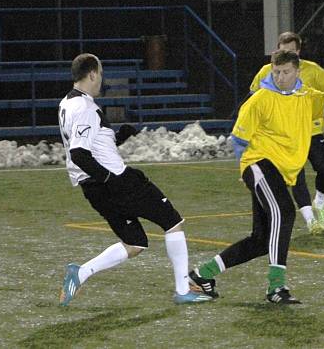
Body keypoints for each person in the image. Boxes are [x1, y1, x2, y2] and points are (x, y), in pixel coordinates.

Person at [190, 49, 324, 304]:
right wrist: (243, 169)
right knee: (285, 211)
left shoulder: (306, 96)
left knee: (260, 241)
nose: (280, 77)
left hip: (280, 173)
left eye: (286, 72)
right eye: (276, 72)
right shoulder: (259, 99)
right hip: (259, 164)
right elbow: (239, 140)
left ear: (297, 72)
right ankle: (276, 287)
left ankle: (203, 275)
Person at [57, 53, 211, 306]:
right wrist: (111, 179)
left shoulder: (66, 104)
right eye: (101, 73)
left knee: (135, 242)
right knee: (172, 222)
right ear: (92, 73)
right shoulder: (84, 107)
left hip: (92, 189)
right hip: (116, 182)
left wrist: (118, 138)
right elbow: (79, 154)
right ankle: (183, 290)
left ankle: (80, 273)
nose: (101, 80)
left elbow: (88, 146)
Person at [248, 32, 324, 235]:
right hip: (286, 137)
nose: (286, 54)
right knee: (297, 178)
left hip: (312, 131)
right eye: (283, 50)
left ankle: (320, 202)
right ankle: (311, 222)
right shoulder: (268, 71)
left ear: (298, 52)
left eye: (291, 51)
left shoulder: (312, 70)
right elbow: (253, 99)